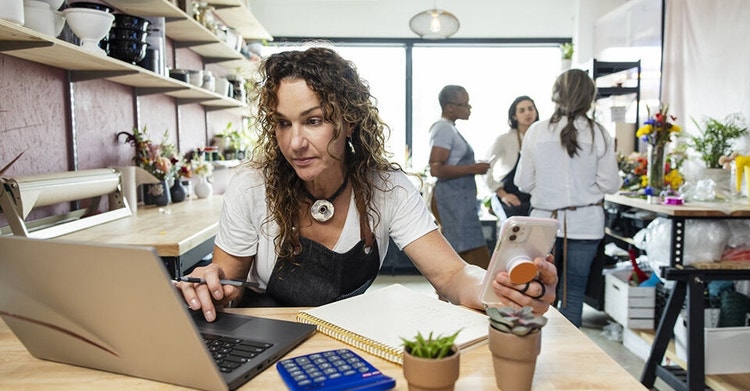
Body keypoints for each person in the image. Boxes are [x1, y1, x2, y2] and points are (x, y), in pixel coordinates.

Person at [176, 47, 558, 322]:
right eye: (282, 123)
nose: (294, 142)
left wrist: (500, 288)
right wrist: (211, 286)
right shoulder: (251, 185)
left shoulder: (387, 189)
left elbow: (452, 275)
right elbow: (230, 283)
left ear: (350, 121)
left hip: (348, 339)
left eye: (313, 120)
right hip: (265, 339)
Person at [514, 69, 622, 328]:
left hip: (543, 223)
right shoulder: (599, 133)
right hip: (585, 223)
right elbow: (611, 184)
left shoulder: (537, 131)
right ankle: (565, 355)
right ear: (589, 97)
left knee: (535, 291)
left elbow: (523, 182)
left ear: (556, 95)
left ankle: (532, 350)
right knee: (573, 295)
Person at [428, 85, 492, 269]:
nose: (469, 108)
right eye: (465, 104)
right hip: (452, 199)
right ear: (449, 107)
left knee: (466, 249)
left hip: (459, 200)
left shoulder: (450, 129)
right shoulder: (443, 129)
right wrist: (473, 168)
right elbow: (436, 169)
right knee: (461, 250)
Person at [485, 96, 540, 221]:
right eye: (522, 110)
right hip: (510, 200)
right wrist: (502, 194)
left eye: (530, 109)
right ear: (514, 116)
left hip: (533, 200)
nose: (527, 113)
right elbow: (485, 168)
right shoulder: (504, 139)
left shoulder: (541, 139)